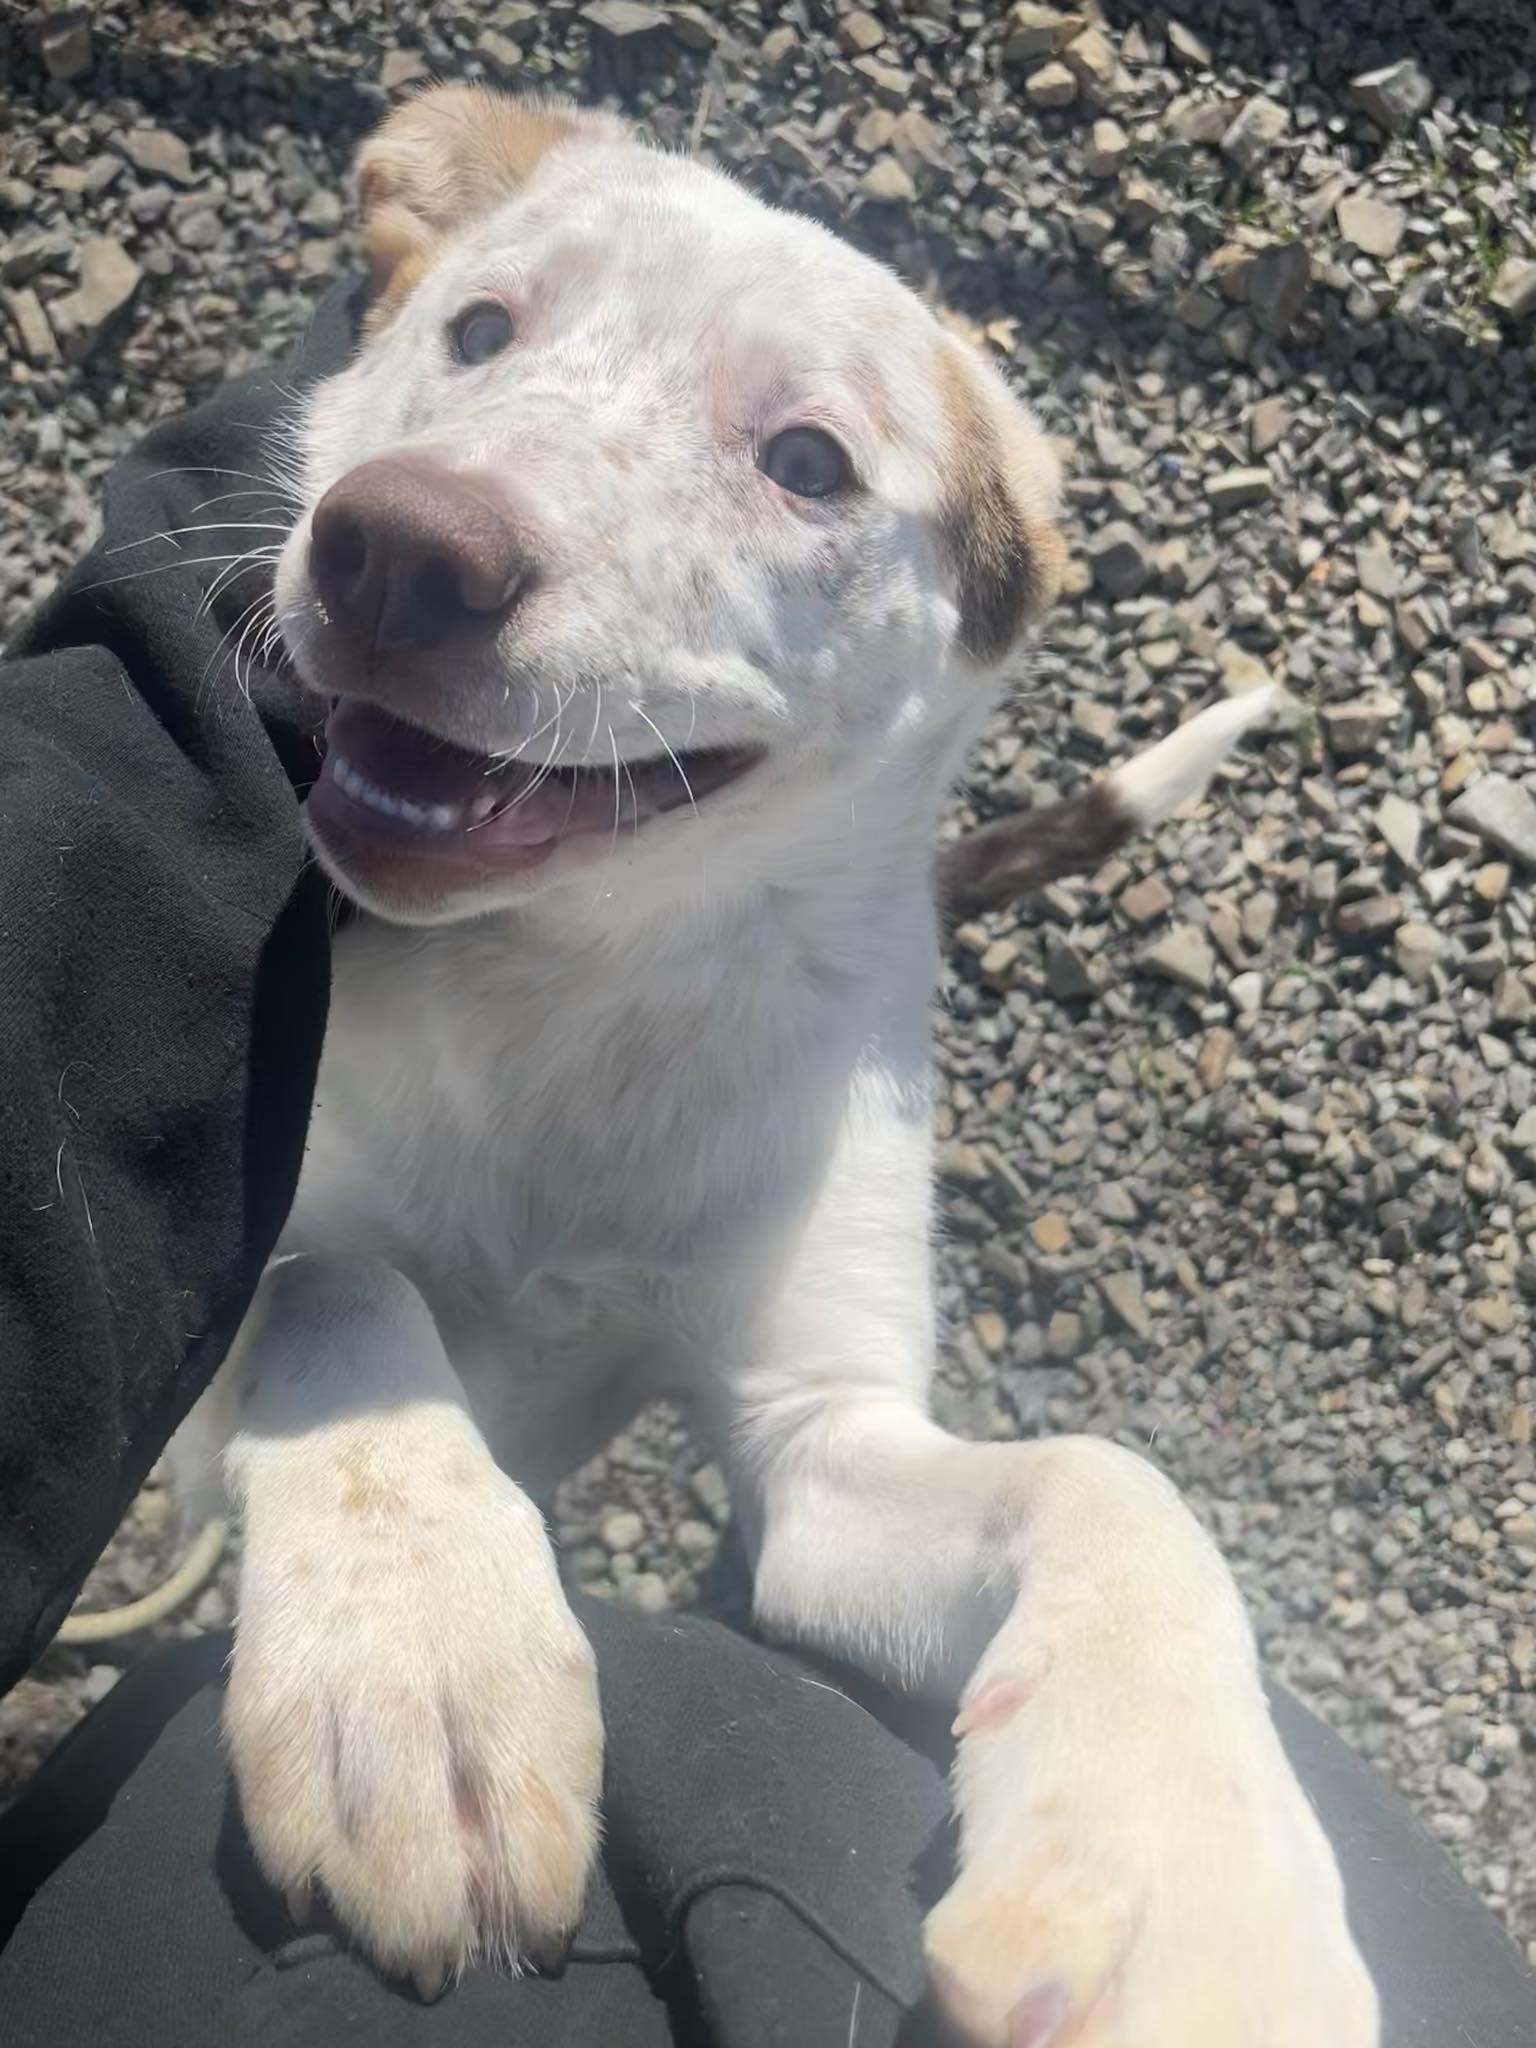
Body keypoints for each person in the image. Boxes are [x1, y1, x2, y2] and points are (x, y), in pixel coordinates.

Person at [0, 281, 1532, 2048]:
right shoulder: (293, 901)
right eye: (487, 336)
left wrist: (1116, 1584)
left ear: (987, 603)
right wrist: (346, 1364)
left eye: (809, 460)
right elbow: (167, 1195)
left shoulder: (838, 1007)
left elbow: (836, 1464)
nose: (460, 498)